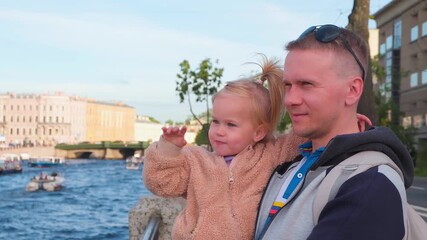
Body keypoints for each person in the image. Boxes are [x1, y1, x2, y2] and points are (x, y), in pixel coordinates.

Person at [254, 24, 414, 240]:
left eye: (307, 84)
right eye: (288, 85)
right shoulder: (291, 162)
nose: (290, 100)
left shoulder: (371, 185)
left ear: (353, 90)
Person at [143, 57, 306, 240]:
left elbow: (307, 134)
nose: (219, 131)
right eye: (215, 121)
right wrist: (168, 149)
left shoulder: (272, 155)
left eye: (231, 125)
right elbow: (161, 184)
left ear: (258, 132)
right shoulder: (196, 160)